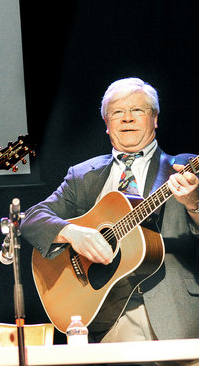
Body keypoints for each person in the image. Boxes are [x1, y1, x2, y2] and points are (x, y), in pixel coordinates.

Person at [20, 77, 199, 342]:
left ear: (155, 118)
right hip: (110, 319)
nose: (127, 118)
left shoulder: (182, 167)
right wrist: (73, 233)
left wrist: (194, 204)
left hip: (177, 315)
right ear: (106, 123)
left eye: (137, 110)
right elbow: (32, 219)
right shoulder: (83, 176)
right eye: (117, 112)